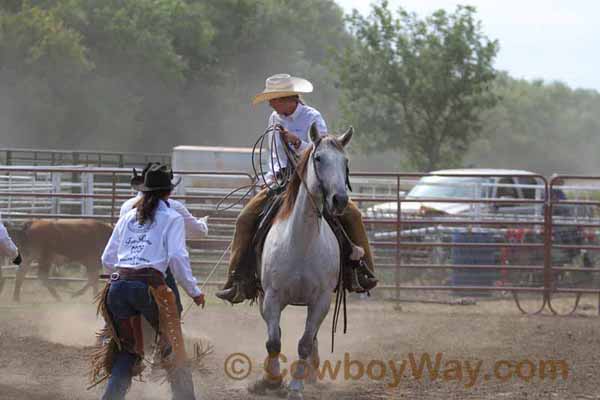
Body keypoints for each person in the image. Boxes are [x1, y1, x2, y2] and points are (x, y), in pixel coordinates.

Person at [215, 73, 377, 304]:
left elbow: (323, 152)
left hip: (311, 183)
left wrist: (297, 142)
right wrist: (270, 177)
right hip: (280, 182)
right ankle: (238, 280)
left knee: (352, 215)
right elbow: (273, 154)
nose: (270, 104)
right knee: (245, 218)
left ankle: (362, 272)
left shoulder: (312, 117)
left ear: (287, 98)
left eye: (273, 99)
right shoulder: (274, 118)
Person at [95, 163, 204, 400]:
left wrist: (118, 281)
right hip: (151, 288)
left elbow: (107, 258)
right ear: (169, 192)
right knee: (174, 347)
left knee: (128, 350)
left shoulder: (127, 217)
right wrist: (194, 290)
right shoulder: (172, 217)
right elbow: (176, 256)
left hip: (118, 288)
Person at [120, 162, 209, 314]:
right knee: (174, 310)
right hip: (155, 271)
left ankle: (109, 331)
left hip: (123, 270)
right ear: (169, 189)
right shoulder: (173, 210)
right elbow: (183, 248)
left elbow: (108, 256)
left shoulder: (127, 208)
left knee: (117, 314)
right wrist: (203, 225)